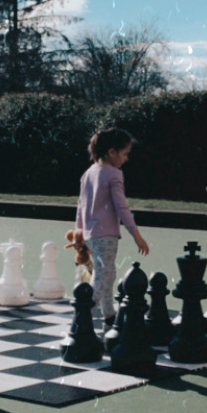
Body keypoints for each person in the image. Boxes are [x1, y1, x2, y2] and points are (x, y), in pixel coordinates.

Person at [75, 127, 149, 327]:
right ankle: (83, 318)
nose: (126, 159)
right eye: (125, 154)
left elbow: (80, 206)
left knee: (106, 274)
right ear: (112, 152)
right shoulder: (114, 174)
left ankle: (109, 317)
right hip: (106, 234)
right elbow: (122, 207)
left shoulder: (88, 173)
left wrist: (79, 235)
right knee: (103, 275)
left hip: (91, 234)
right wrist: (136, 235)